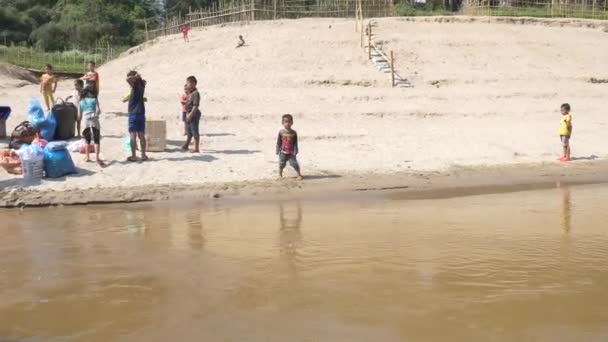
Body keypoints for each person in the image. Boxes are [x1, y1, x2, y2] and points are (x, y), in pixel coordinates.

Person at [79, 82, 104, 166]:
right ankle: (97, 158)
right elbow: (99, 110)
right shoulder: (94, 99)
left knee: (87, 140)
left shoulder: (81, 101)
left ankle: (87, 157)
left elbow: (79, 115)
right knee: (96, 140)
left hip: (85, 119)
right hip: (94, 118)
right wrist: (96, 114)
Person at [126, 71, 148, 162]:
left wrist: (135, 77)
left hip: (133, 113)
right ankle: (143, 155)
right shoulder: (142, 85)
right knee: (141, 135)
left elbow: (127, 79)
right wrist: (138, 77)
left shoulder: (135, 85)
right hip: (141, 113)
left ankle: (134, 156)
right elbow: (145, 81)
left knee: (133, 135)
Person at [276, 114, 303, 180]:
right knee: (282, 163)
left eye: (289, 122)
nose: (287, 123)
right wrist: (277, 149)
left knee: (294, 163)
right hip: (283, 151)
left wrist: (296, 150)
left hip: (291, 152)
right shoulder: (281, 132)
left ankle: (299, 174)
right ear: (282, 123)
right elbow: (279, 142)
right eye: (286, 122)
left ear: (292, 123)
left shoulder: (294, 132)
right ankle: (280, 174)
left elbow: (295, 142)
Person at [182, 76, 201, 153]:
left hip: (194, 114)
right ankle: (187, 144)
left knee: (194, 130)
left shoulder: (196, 93)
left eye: (188, 83)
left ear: (193, 83)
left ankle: (196, 148)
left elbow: (195, 106)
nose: (187, 85)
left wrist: (190, 115)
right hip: (189, 113)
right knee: (189, 131)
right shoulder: (191, 93)